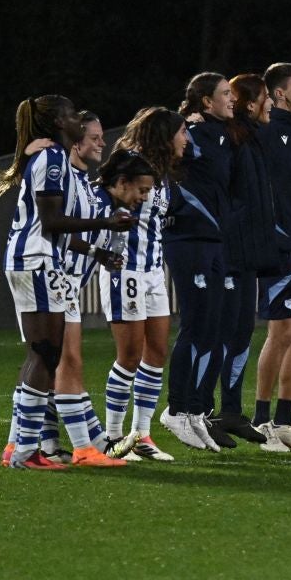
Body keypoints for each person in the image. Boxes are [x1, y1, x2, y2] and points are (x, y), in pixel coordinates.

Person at [0, 94, 134, 469]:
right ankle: (29, 451)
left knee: (42, 354)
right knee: (48, 354)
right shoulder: (51, 158)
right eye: (72, 114)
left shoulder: (50, 157)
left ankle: (19, 447)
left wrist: (95, 250)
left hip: (30, 260)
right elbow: (51, 223)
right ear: (60, 123)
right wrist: (106, 222)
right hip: (38, 261)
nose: (78, 119)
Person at [46, 112, 137, 466]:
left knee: (52, 365)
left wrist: (100, 252)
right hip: (53, 277)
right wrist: (100, 239)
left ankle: (50, 444)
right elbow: (55, 226)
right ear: (75, 140)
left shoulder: (81, 180)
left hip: (63, 281)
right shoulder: (67, 179)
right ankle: (89, 446)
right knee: (66, 363)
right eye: (95, 137)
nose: (102, 142)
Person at [100, 107, 188, 462]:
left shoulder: (161, 174)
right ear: (165, 135)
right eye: (182, 132)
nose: (186, 139)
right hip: (126, 271)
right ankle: (112, 437)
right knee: (129, 356)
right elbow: (102, 193)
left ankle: (141, 435)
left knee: (157, 352)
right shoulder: (130, 163)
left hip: (152, 272)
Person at [162, 73, 235, 450]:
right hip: (189, 240)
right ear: (206, 101)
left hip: (214, 241)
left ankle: (193, 410)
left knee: (213, 329)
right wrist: (185, 124)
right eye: (225, 93)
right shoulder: (189, 132)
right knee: (196, 325)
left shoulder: (219, 134)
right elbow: (161, 151)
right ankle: (176, 408)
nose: (232, 98)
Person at [251, 63, 291, 450]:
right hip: (281, 247)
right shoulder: (267, 131)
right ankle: (261, 421)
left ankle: (284, 421)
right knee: (281, 333)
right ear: (279, 93)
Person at [217, 73, 281, 447]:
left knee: (242, 332)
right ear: (250, 102)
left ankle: (230, 410)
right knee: (222, 333)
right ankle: (199, 411)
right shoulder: (229, 139)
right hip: (231, 252)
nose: (270, 103)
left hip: (249, 253)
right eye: (266, 96)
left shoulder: (251, 138)